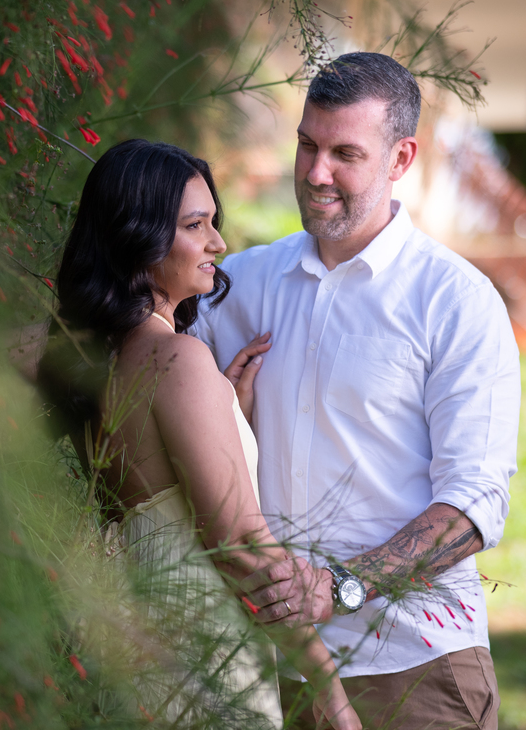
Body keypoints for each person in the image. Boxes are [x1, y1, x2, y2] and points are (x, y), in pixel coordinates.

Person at [191, 52, 520, 729]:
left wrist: (339, 585)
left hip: (418, 667)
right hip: (269, 674)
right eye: (308, 145)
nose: (316, 173)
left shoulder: (456, 302)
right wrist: (224, 409)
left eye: (346, 153)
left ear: (401, 159)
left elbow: (473, 502)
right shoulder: (241, 284)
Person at [39, 139, 360, 729]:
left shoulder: (97, 366)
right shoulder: (178, 361)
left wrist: (226, 414)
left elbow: (152, 496)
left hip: (134, 666)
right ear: (138, 240)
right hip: (205, 667)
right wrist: (329, 693)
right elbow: (242, 547)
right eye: (196, 225)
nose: (220, 243)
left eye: (214, 222)